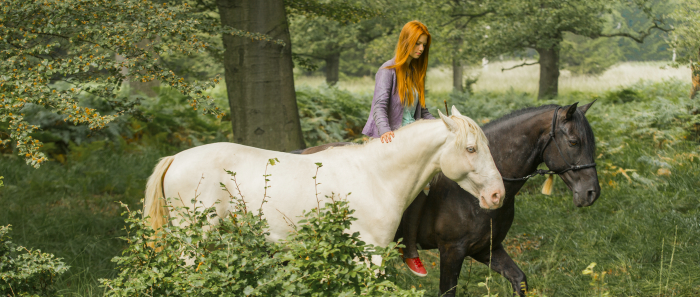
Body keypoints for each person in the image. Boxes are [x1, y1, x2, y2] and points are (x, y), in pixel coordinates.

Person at [361, 20, 433, 277]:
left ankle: (411, 248)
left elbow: (423, 113)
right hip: (391, 139)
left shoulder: (417, 74)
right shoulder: (388, 70)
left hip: (413, 141)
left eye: (424, 45)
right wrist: (386, 133)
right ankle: (405, 249)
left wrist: (447, 127)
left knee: (427, 181)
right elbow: (379, 107)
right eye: (417, 43)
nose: (421, 49)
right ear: (406, 41)